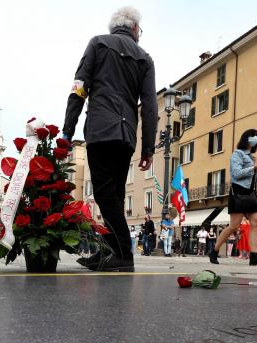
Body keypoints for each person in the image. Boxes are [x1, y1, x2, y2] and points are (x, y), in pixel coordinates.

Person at [64, 7, 157, 272]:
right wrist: (148, 147)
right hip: (126, 134)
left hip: (101, 130)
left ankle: (124, 255)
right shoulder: (145, 59)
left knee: (105, 195)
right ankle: (109, 251)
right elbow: (149, 106)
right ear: (135, 28)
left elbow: (79, 86)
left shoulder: (98, 43)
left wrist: (67, 131)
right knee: (114, 193)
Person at [210, 129, 257, 266]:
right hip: (238, 193)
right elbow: (236, 174)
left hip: (251, 193)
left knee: (256, 223)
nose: (255, 139)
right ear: (246, 138)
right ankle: (214, 251)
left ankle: (254, 257)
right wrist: (253, 168)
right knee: (234, 226)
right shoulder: (237, 154)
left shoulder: (252, 157)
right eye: (253, 136)